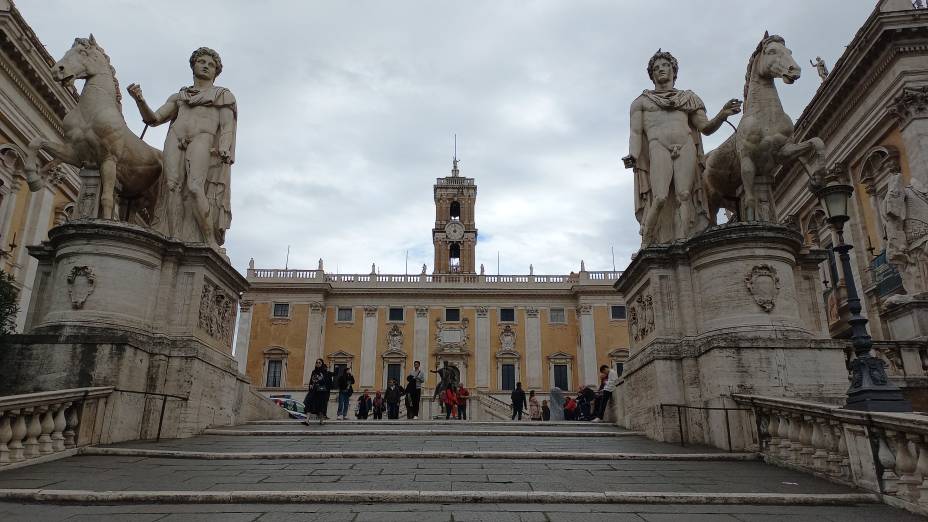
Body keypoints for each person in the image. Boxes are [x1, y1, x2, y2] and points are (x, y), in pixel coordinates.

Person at [624, 49, 741, 246]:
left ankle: (682, 241)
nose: (661, 69)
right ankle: (647, 240)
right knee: (660, 197)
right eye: (656, 68)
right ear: (652, 75)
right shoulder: (641, 102)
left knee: (684, 195)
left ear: (673, 71)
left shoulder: (688, 98)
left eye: (665, 66)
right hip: (658, 146)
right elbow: (635, 134)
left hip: (685, 144)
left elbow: (705, 128)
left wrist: (722, 114)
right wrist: (633, 156)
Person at [127, 47, 236, 249]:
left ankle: (208, 240)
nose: (206, 66)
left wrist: (224, 147)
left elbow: (227, 126)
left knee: (195, 187)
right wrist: (139, 100)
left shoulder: (222, 95)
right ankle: (173, 239)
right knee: (171, 186)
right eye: (201, 61)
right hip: (176, 137)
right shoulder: (179, 97)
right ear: (193, 65)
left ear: (216, 72)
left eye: (211, 64)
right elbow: (153, 119)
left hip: (203, 138)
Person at [304, 359, 332, 425]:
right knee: (310, 405)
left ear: (322, 363)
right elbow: (311, 380)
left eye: (319, 362)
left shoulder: (325, 372)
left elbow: (327, 382)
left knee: (321, 406)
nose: (318, 363)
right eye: (317, 362)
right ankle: (307, 420)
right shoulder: (314, 371)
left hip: (321, 391)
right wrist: (310, 386)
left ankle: (321, 421)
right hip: (314, 391)